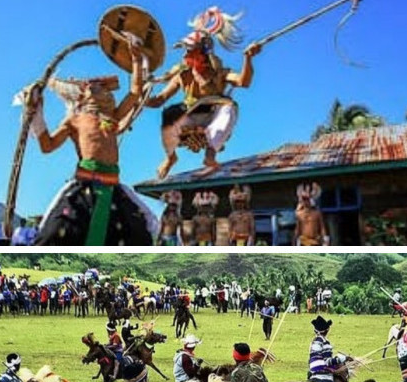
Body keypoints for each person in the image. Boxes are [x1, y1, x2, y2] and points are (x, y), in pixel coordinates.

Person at [24, 35, 155, 246]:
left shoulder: (112, 118)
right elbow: (47, 146)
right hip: (84, 182)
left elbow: (135, 92)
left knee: (140, 232)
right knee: (54, 232)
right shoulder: (74, 119)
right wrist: (36, 114)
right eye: (96, 87)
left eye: (104, 88)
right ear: (84, 94)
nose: (103, 90)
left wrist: (136, 59)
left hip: (114, 185)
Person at [146, 7, 262, 178]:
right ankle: (170, 158)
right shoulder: (183, 75)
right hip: (192, 119)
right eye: (186, 49)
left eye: (190, 50)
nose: (186, 53)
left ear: (203, 54)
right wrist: (141, 98)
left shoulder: (219, 73)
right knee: (169, 113)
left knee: (230, 107)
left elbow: (243, 82)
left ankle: (210, 154)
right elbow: (160, 99)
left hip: (214, 120)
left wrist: (248, 58)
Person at [307, 316, 350, 382]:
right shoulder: (324, 342)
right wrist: (342, 358)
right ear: (326, 330)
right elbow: (326, 361)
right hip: (323, 376)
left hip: (313, 374)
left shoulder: (314, 342)